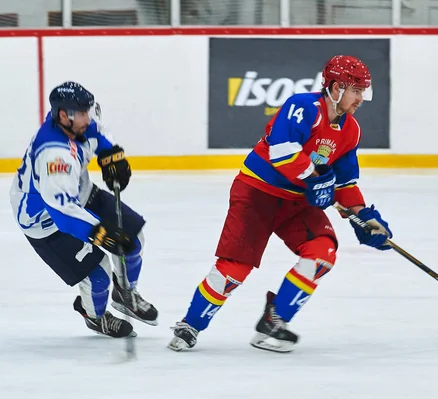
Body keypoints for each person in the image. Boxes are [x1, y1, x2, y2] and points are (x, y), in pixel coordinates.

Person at [168, 55, 393, 353]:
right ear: (336, 88)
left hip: (297, 203)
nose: (361, 98)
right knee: (235, 269)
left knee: (322, 253)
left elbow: (345, 182)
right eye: (356, 90)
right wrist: (315, 178)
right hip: (257, 193)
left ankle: (273, 322)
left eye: (364, 91)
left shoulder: (351, 131)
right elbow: (283, 151)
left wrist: (362, 215)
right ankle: (191, 324)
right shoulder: (303, 107)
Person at [9, 81, 158, 338]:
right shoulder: (55, 157)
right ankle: (94, 316)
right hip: (45, 221)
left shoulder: (75, 124)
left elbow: (98, 133)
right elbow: (63, 211)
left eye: (88, 111)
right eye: (82, 113)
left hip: (80, 194)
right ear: (64, 116)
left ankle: (125, 293)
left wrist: (111, 156)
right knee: (99, 274)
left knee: (133, 240)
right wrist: (102, 233)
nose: (88, 118)